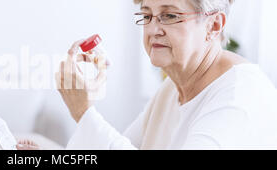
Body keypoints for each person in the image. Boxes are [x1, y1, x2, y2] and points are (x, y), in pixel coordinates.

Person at [18, 0, 277, 150]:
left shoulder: (240, 95)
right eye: (146, 15)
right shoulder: (172, 89)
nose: (153, 29)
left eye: (169, 15)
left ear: (214, 25)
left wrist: (83, 111)